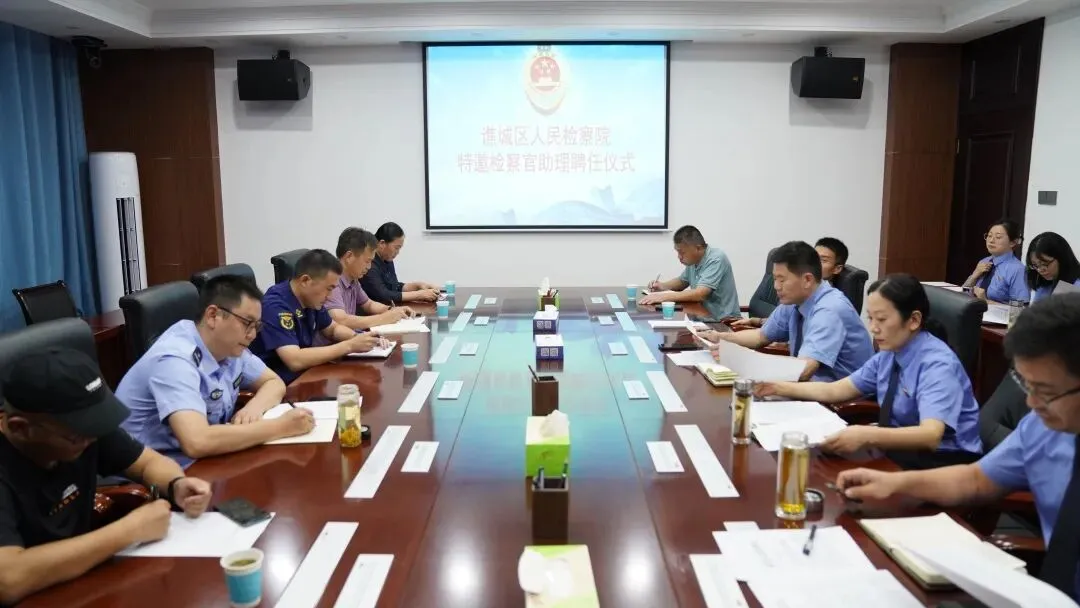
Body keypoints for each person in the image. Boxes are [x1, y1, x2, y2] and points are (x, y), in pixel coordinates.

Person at [835, 294, 1080, 600]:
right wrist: (895, 483)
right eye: (1026, 386)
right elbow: (976, 480)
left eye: (1045, 391)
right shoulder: (1041, 428)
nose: (1030, 403)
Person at [0, 349, 213, 604]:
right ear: (20, 428)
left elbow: (147, 463)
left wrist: (176, 484)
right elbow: (8, 579)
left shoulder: (83, 428)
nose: (91, 440)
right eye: (77, 436)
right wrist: (128, 531)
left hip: (79, 583)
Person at [756, 274, 982, 464]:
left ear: (913, 320)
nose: (873, 328)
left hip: (943, 462)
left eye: (881, 319)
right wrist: (777, 387)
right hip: (897, 449)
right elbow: (837, 390)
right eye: (870, 318)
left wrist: (866, 434)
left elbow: (930, 435)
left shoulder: (937, 364)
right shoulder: (890, 353)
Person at [116, 276, 315, 463]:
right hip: (153, 475)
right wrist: (280, 427)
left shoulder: (229, 347)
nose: (253, 335)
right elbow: (197, 441)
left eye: (257, 326)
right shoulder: (174, 360)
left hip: (202, 461)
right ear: (213, 315)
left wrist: (253, 408)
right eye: (247, 323)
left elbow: (273, 382)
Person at [708, 241, 872, 382]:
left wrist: (747, 363)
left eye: (782, 280)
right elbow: (760, 337)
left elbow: (804, 370)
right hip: (810, 387)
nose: (776, 286)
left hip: (843, 401)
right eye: (775, 279)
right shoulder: (794, 300)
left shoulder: (829, 309)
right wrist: (720, 337)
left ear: (807, 279)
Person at [250, 249, 386, 384]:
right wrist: (349, 346)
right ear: (305, 280)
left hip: (307, 375)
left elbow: (333, 329)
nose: (330, 296)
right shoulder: (275, 306)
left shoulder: (310, 299)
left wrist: (360, 338)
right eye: (329, 288)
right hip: (280, 383)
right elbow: (294, 360)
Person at [316, 227, 416, 344]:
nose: (369, 267)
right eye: (367, 261)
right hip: (332, 346)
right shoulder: (333, 281)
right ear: (349, 257)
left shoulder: (353, 279)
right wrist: (384, 318)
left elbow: (368, 304)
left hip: (349, 340)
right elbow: (340, 320)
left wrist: (392, 310)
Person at [640, 225, 740, 320]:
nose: (679, 257)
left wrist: (663, 297)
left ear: (698, 248)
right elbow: (682, 281)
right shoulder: (694, 260)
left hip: (723, 321)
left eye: (682, 252)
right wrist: (662, 286)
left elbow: (700, 294)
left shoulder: (716, 259)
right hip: (702, 316)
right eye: (678, 252)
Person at [360, 222, 440, 306]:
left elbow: (394, 286)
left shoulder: (387, 258)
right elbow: (383, 295)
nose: (398, 252)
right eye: (396, 248)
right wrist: (419, 295)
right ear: (382, 243)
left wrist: (417, 285)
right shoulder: (369, 264)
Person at [962, 218, 1028, 304]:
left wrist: (986, 302)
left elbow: (1020, 308)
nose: (991, 240)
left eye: (998, 237)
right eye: (989, 236)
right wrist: (974, 276)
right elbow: (963, 294)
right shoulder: (984, 261)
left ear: (1012, 242)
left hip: (994, 313)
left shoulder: (1018, 270)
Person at [1025, 231, 1080, 303]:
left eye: (1045, 264)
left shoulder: (1076, 287)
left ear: (1062, 258)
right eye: (1035, 265)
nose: (1040, 270)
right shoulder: (1044, 285)